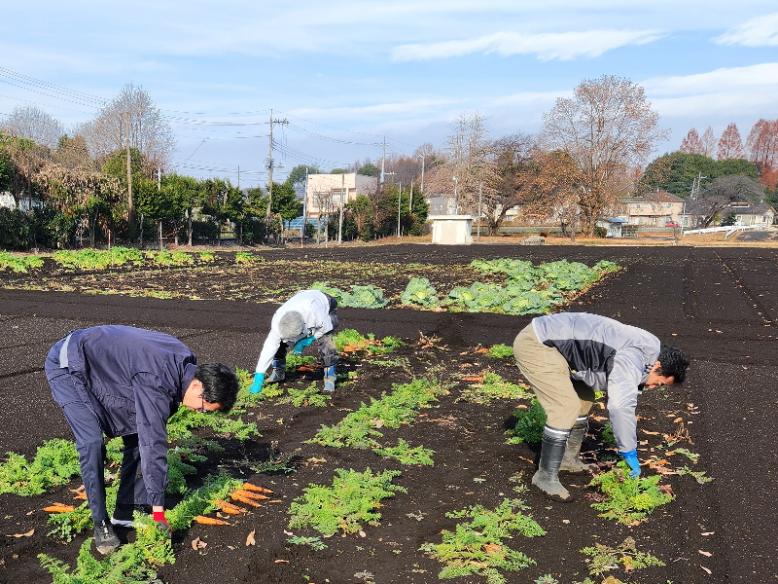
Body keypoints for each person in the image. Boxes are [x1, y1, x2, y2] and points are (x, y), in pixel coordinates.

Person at [44, 325, 238, 555]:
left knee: (137, 435)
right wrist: (159, 513)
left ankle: (126, 509)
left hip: (101, 366)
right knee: (92, 442)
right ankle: (101, 523)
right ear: (197, 385)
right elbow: (153, 444)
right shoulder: (157, 378)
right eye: (204, 408)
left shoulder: (184, 364)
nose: (200, 412)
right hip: (68, 364)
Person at [513, 312, 689, 502]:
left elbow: (603, 367)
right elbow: (620, 406)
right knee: (565, 406)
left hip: (557, 345)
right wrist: (628, 450)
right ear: (657, 366)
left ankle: (567, 460)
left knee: (584, 396)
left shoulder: (650, 350)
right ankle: (545, 477)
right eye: (658, 383)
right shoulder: (633, 359)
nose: (652, 387)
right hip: (537, 343)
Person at [249, 289, 339, 395]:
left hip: (324, 301)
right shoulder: (278, 321)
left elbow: (327, 327)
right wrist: (259, 375)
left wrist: (308, 340)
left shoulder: (315, 314)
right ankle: (278, 372)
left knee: (326, 341)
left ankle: (330, 379)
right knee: (279, 344)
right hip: (301, 298)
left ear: (302, 329)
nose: (289, 342)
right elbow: (268, 348)